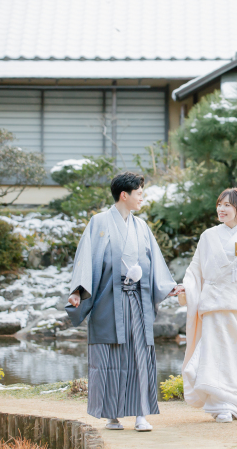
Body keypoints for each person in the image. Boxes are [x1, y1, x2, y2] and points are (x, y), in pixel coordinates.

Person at [66, 172, 183, 432]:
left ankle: (142, 413)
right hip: (109, 301)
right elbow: (85, 259)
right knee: (109, 356)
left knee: (140, 355)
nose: (142, 198)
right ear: (124, 195)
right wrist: (77, 291)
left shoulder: (141, 227)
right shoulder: (98, 223)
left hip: (138, 300)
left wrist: (167, 287)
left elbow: (155, 264)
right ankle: (112, 414)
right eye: (139, 194)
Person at [181, 188, 237, 423]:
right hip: (212, 302)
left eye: (227, 205)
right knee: (212, 352)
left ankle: (233, 402)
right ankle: (219, 405)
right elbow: (195, 268)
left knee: (236, 353)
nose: (221, 209)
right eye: (219, 204)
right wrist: (187, 287)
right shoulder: (208, 236)